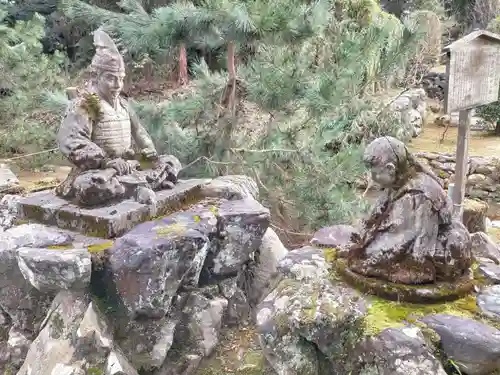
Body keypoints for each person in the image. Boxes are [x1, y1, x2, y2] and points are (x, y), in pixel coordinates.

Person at [55, 29, 181, 206]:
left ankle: (134, 186)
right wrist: (106, 161)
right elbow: (71, 140)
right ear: (96, 76)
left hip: (130, 164)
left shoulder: (123, 104)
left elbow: (139, 131)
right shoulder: (89, 103)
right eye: (111, 78)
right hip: (101, 169)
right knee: (89, 185)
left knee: (170, 162)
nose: (118, 85)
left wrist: (148, 150)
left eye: (121, 79)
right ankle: (140, 187)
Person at [346, 136, 472, 284]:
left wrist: (365, 247)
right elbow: (379, 217)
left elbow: (400, 243)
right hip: (411, 231)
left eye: (374, 174)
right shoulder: (398, 182)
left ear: (390, 169)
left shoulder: (416, 195)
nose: (371, 179)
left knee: (368, 255)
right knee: (364, 244)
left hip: (439, 245)